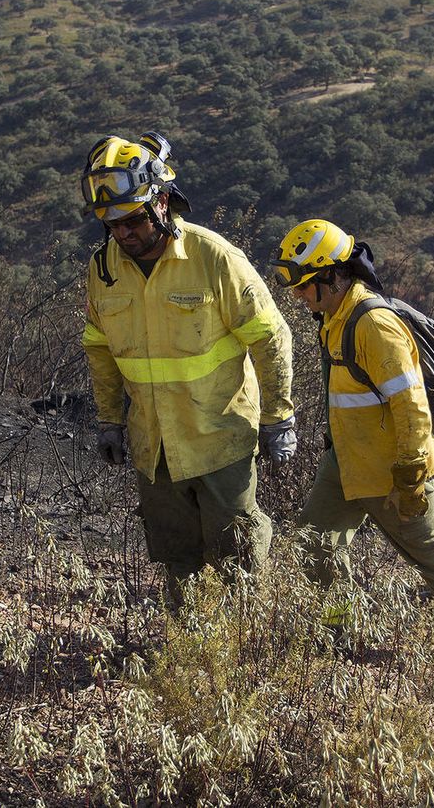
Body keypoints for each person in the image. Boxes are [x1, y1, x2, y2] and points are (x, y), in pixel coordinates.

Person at [79, 132, 294, 606]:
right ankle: (186, 649)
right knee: (178, 561)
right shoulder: (103, 269)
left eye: (132, 220)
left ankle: (245, 652)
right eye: (111, 224)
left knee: (238, 559)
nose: (123, 234)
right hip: (154, 447)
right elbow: (100, 350)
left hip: (221, 440)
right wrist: (109, 420)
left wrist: (278, 417)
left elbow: (270, 336)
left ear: (161, 201)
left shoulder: (213, 257)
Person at [271, 220, 434, 629]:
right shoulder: (333, 317)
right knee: (314, 545)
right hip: (347, 463)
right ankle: (338, 630)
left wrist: (411, 472)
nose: (297, 295)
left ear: (331, 277)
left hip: (394, 471)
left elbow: (412, 406)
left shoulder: (373, 325)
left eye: (303, 285)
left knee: (431, 556)